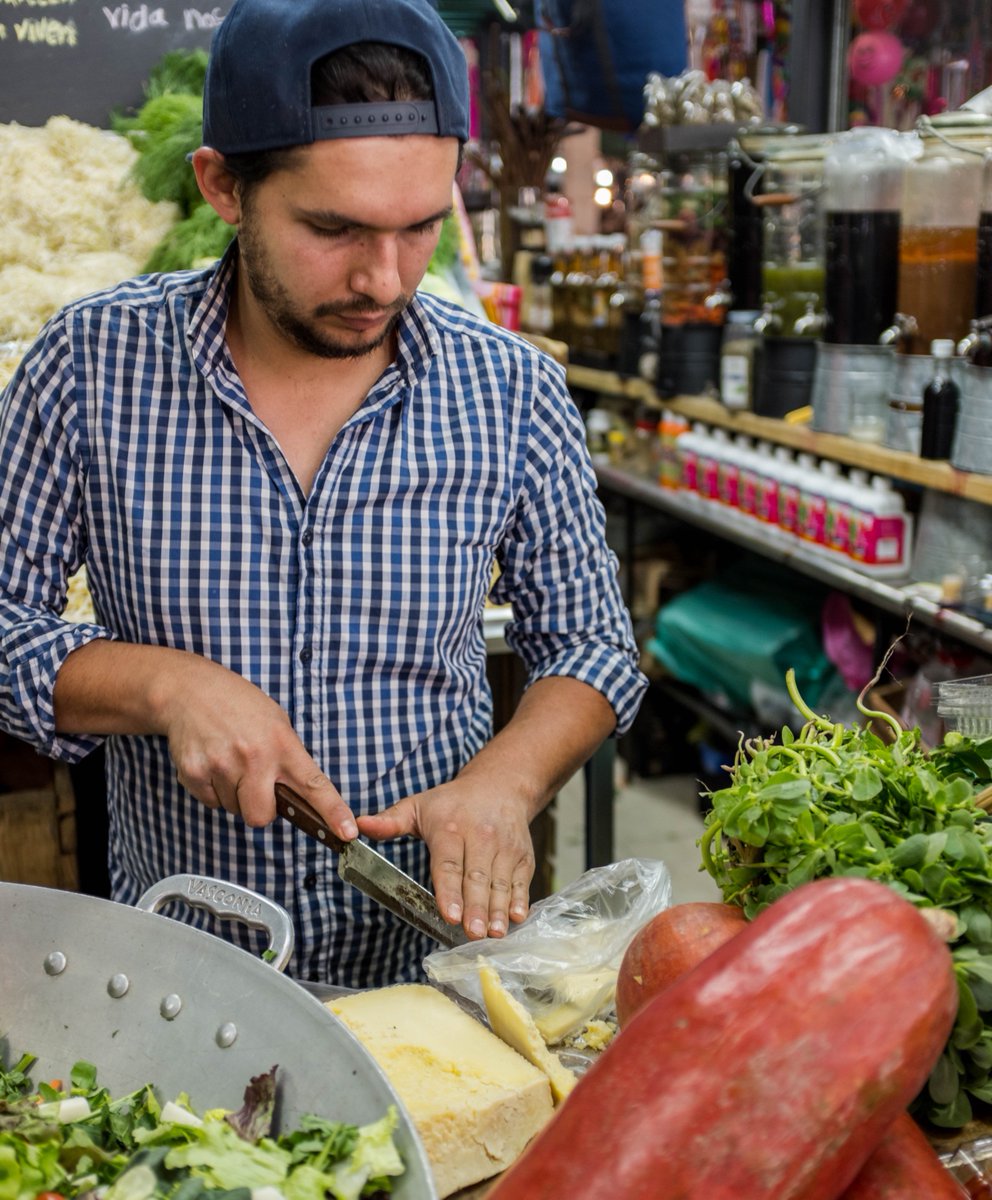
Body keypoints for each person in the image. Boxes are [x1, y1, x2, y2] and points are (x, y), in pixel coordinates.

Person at [0, 0, 647, 987]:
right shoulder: (91, 367)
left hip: (429, 973)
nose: (383, 280)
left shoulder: (508, 390)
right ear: (223, 185)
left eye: (419, 227)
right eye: (333, 229)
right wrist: (166, 687)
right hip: (185, 972)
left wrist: (505, 783)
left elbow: (590, 645)